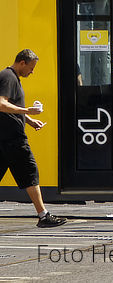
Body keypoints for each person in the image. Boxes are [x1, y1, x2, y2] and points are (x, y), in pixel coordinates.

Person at [0, 50, 65, 227]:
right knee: (30, 173)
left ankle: (43, 215)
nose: (32, 71)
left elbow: (11, 105)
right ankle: (44, 216)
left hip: (6, 138)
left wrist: (28, 120)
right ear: (22, 63)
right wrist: (28, 111)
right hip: (12, 139)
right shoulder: (8, 77)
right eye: (31, 67)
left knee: (28, 173)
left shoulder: (11, 77)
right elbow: (1, 104)